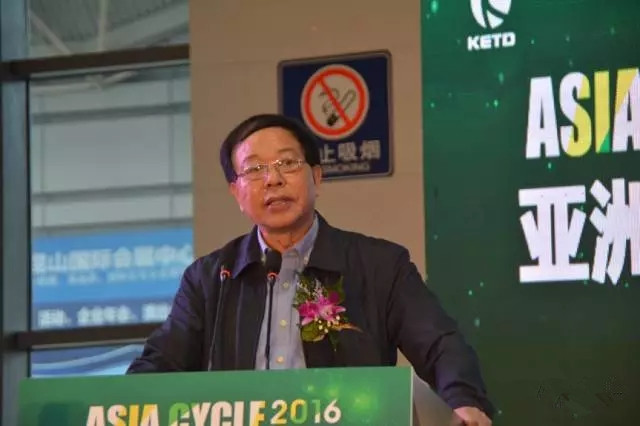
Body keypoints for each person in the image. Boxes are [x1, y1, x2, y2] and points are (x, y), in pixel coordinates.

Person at [128, 113, 493, 425]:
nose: (273, 179)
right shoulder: (211, 279)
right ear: (236, 193)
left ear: (316, 177)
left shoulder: (379, 265)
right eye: (254, 169)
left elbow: (440, 344)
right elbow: (162, 362)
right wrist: (120, 405)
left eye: (287, 163)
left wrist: (464, 400)